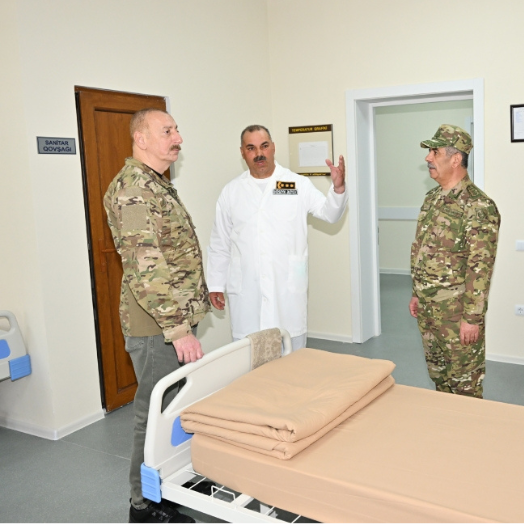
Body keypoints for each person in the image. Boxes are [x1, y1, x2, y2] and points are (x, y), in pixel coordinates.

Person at [104, 108, 210, 523]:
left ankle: (167, 484)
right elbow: (145, 265)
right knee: (153, 414)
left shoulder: (157, 183)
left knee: (174, 408)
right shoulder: (132, 189)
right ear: (141, 139)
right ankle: (143, 505)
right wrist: (178, 329)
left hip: (172, 319)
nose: (178, 137)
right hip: (157, 326)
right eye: (167, 131)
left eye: (177, 129)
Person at [207, 125, 347, 351]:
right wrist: (215, 284)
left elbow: (329, 214)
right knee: (248, 356)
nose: (258, 153)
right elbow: (219, 242)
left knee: (290, 355)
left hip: (287, 289)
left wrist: (338, 189)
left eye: (264, 146)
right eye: (251, 148)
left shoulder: (297, 184)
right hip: (247, 291)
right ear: (242, 152)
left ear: (273, 147)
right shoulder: (231, 191)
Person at [409, 124, 500, 399]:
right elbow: (421, 249)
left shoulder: (478, 206)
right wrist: (417, 293)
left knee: (464, 385)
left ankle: (469, 427)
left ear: (455, 159)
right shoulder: (432, 199)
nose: (428, 158)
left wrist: (472, 318)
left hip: (456, 314)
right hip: (429, 310)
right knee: (439, 377)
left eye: (435, 152)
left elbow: (480, 267)